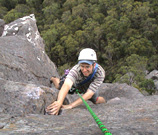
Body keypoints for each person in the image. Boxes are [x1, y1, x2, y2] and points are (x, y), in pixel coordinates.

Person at [46, 48, 106, 115]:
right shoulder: (76, 69)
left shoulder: (100, 73)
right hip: (75, 85)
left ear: (94, 65)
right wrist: (59, 102)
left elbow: (89, 94)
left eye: (87, 67)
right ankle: (53, 78)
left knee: (96, 100)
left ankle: (106, 101)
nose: (84, 70)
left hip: (88, 87)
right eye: (82, 66)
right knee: (59, 86)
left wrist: (71, 105)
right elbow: (67, 85)